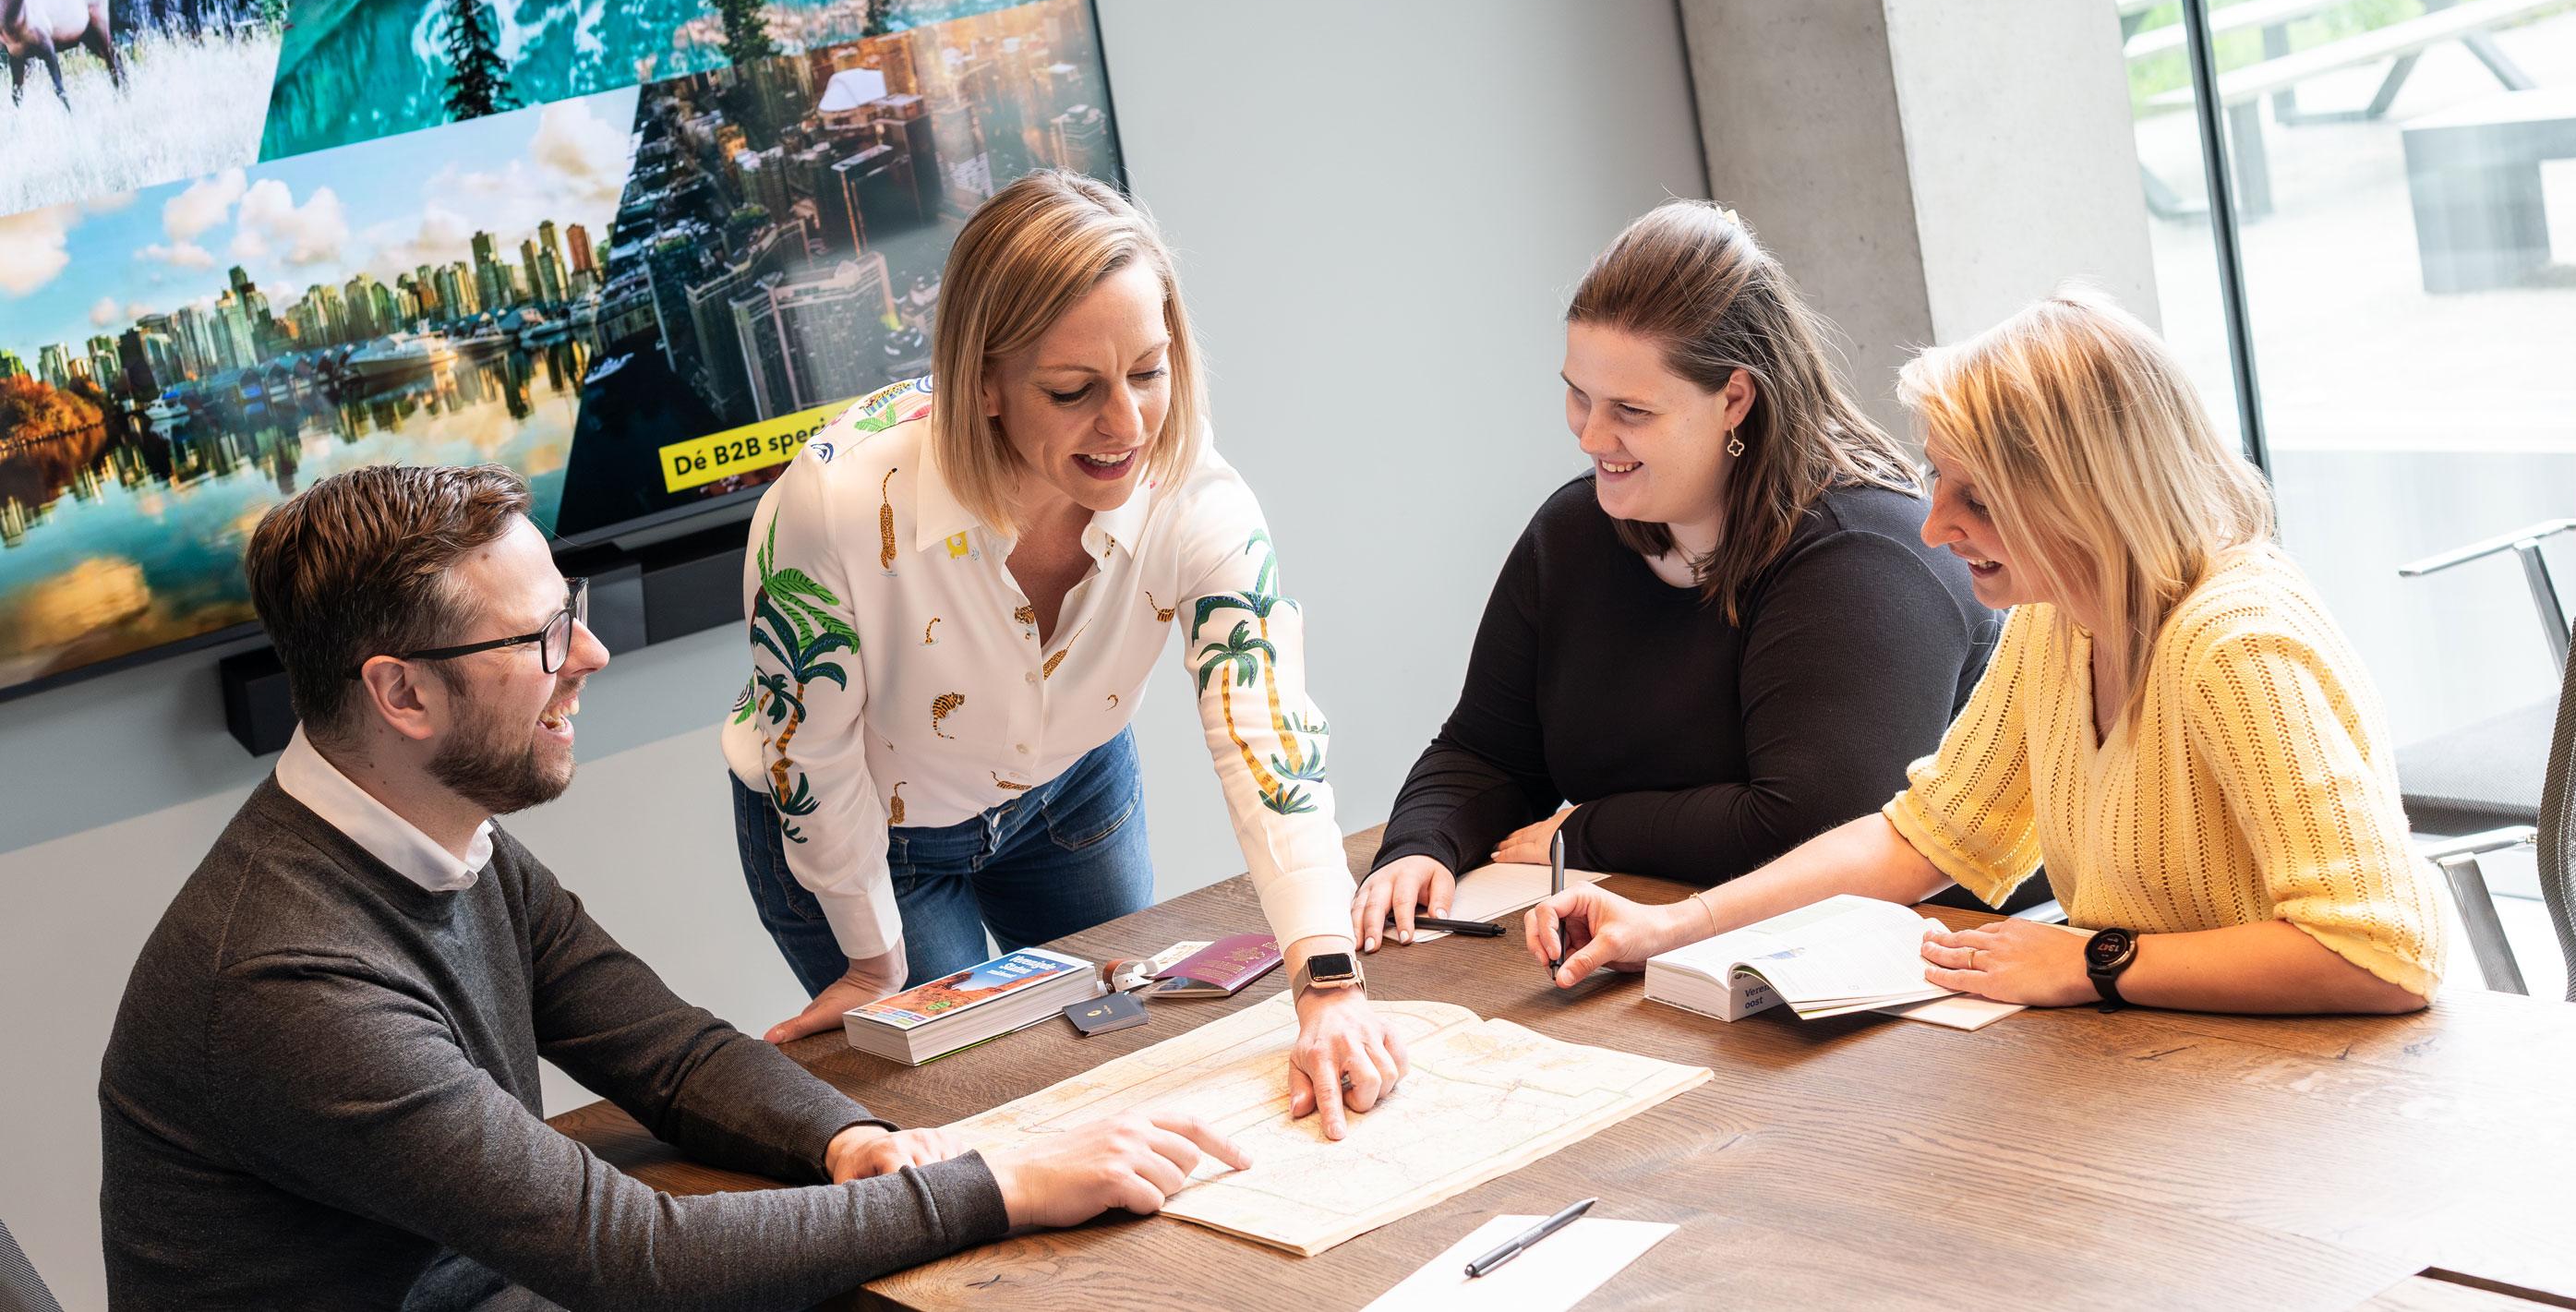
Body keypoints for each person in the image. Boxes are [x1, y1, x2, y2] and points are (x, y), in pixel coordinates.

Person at [101, 464, 1250, 1310]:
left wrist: (849, 1140)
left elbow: (671, 1053)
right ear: (401, 696)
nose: (589, 657)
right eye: (543, 639)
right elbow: (633, 1260)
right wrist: (999, 1185)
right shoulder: (285, 980)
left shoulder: (442, 839)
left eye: (573, 614)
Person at [1523, 287, 2449, 1015]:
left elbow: (2382, 953)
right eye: (1939, 481)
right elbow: (1922, 836)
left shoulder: (2234, 646)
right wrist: (1673, 926)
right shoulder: (2060, 620)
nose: (1934, 527)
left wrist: (2092, 962)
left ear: (2089, 494)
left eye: (1978, 497)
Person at [724, 171, 1402, 1130]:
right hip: (867, 821)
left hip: (1071, 789)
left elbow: (1267, 733)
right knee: (991, 1113)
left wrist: (1328, 985)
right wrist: (873, 963)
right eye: (1073, 390)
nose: (1126, 426)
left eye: (1149, 373)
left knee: (1131, 1060)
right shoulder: (833, 504)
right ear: (983, 382)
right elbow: (814, 753)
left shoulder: (1192, 492)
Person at [1350, 202, 2004, 949]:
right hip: (1663, 928)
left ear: (1734, 399)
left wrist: (1588, 828)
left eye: (1631, 410)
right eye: (1578, 395)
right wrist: (1420, 847)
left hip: (1927, 962)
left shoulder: (1869, 554)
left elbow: (1813, 831)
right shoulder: (1572, 532)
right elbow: (1486, 751)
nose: (1592, 436)